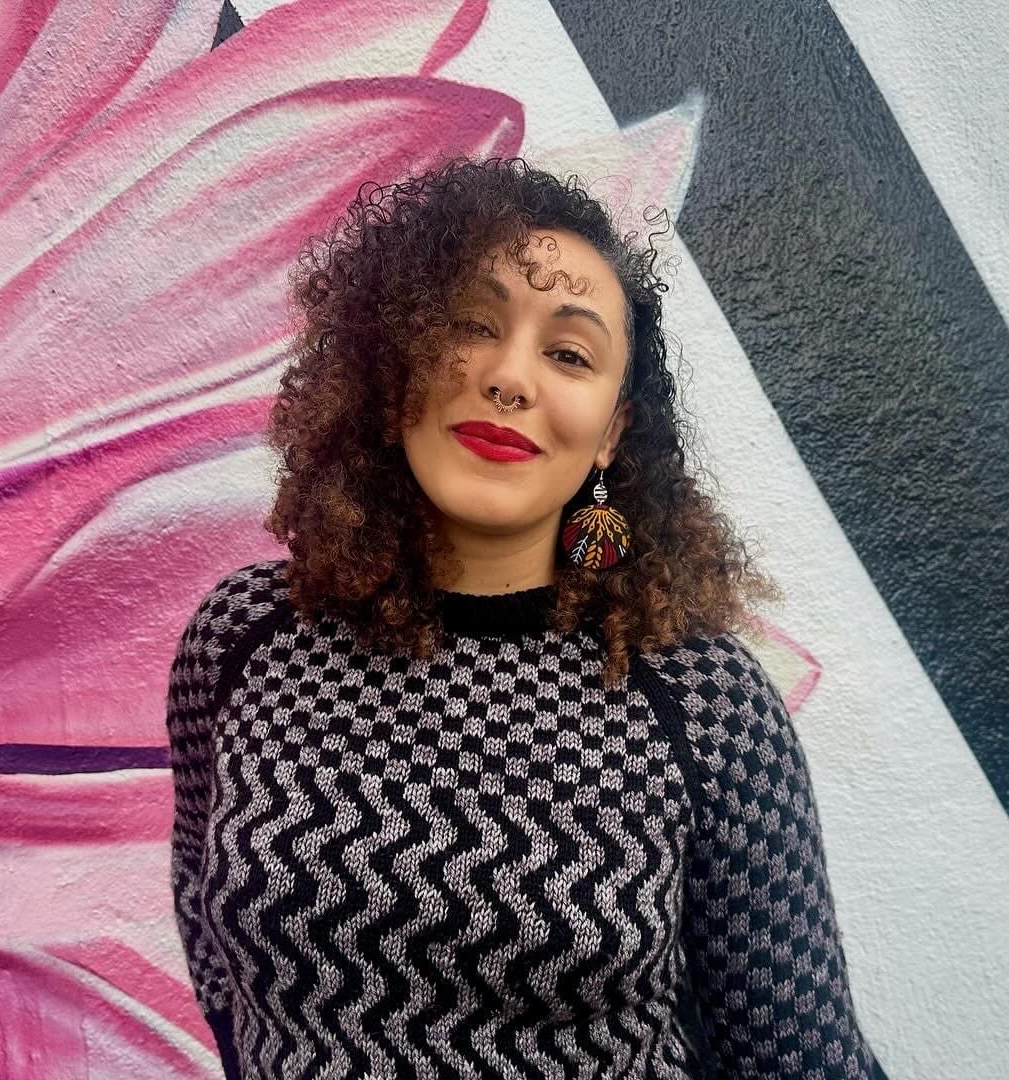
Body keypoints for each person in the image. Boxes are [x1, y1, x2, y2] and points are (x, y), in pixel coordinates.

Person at [166, 154, 883, 1078]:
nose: (510, 379)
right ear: (395, 362)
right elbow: (208, 931)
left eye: (570, 353)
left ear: (612, 432)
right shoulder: (244, 641)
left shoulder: (700, 705)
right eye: (472, 325)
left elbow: (800, 1061)